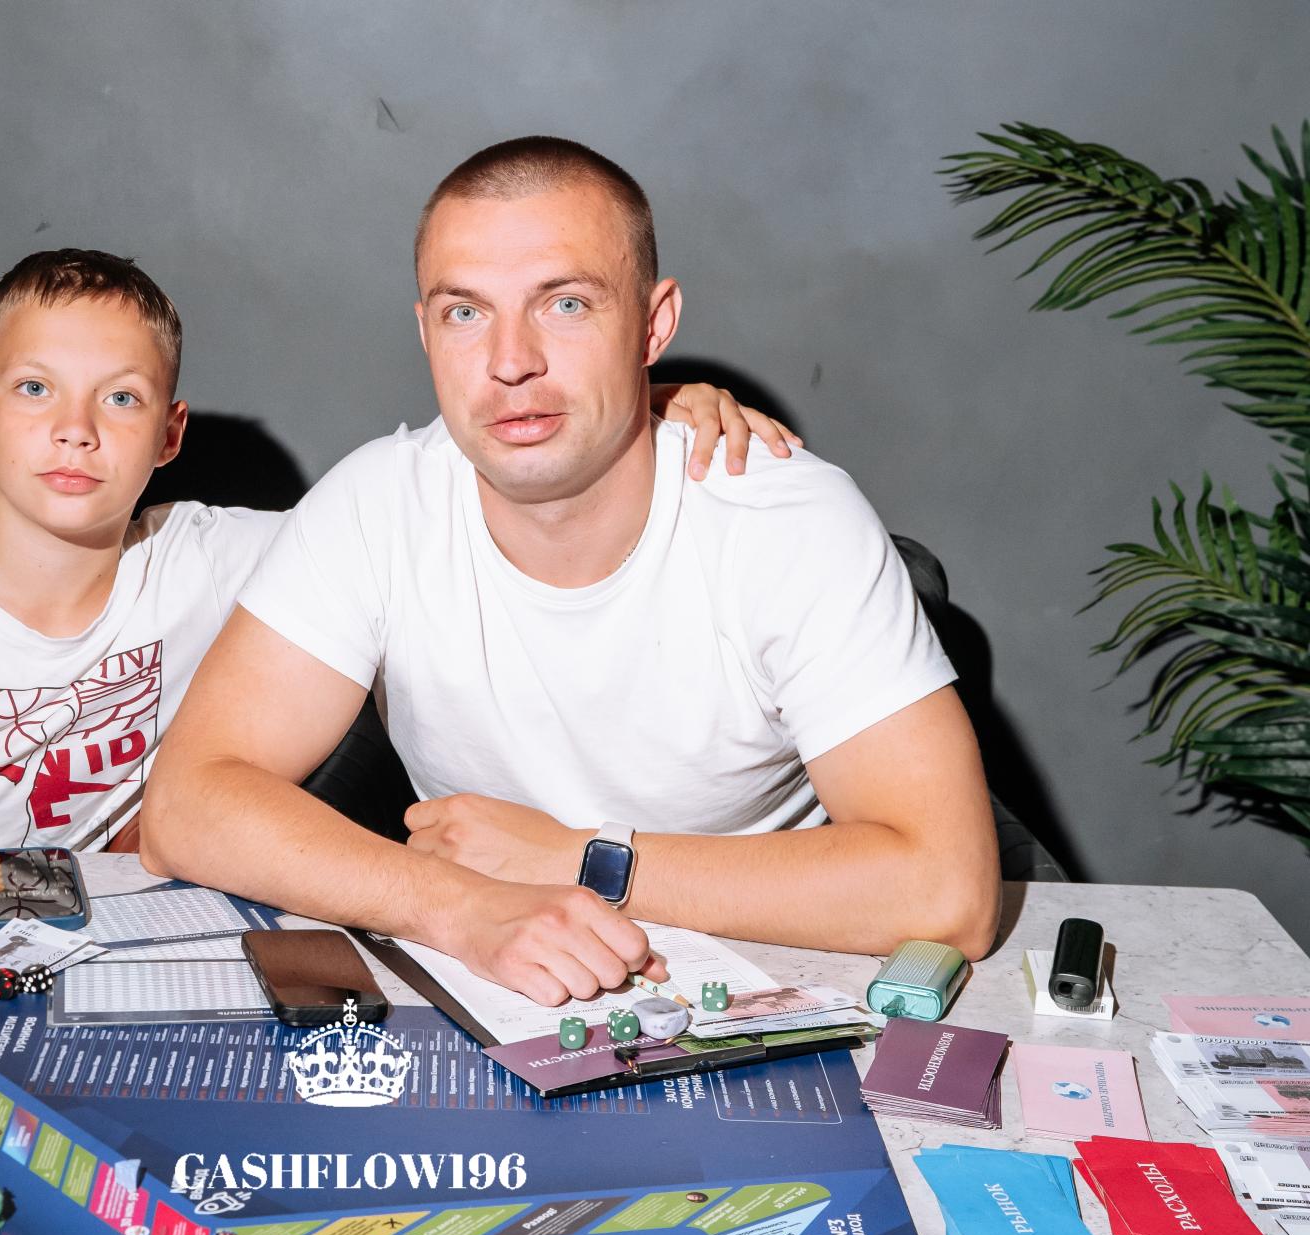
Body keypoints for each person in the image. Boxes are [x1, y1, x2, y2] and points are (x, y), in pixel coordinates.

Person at [0, 245, 792, 981]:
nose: (74, 429)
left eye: (119, 399)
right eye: (34, 389)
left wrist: (649, 411)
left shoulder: (223, 557)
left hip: (75, 948)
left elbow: (443, 504)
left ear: (167, 434)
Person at [143, 137, 1001, 1007]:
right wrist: (461, 907)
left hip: (764, 994)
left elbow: (947, 889)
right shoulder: (376, 503)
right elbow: (186, 806)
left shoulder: (787, 521)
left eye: (565, 304)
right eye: (465, 313)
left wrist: (580, 860)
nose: (511, 360)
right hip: (503, 992)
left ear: (654, 325)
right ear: (425, 331)